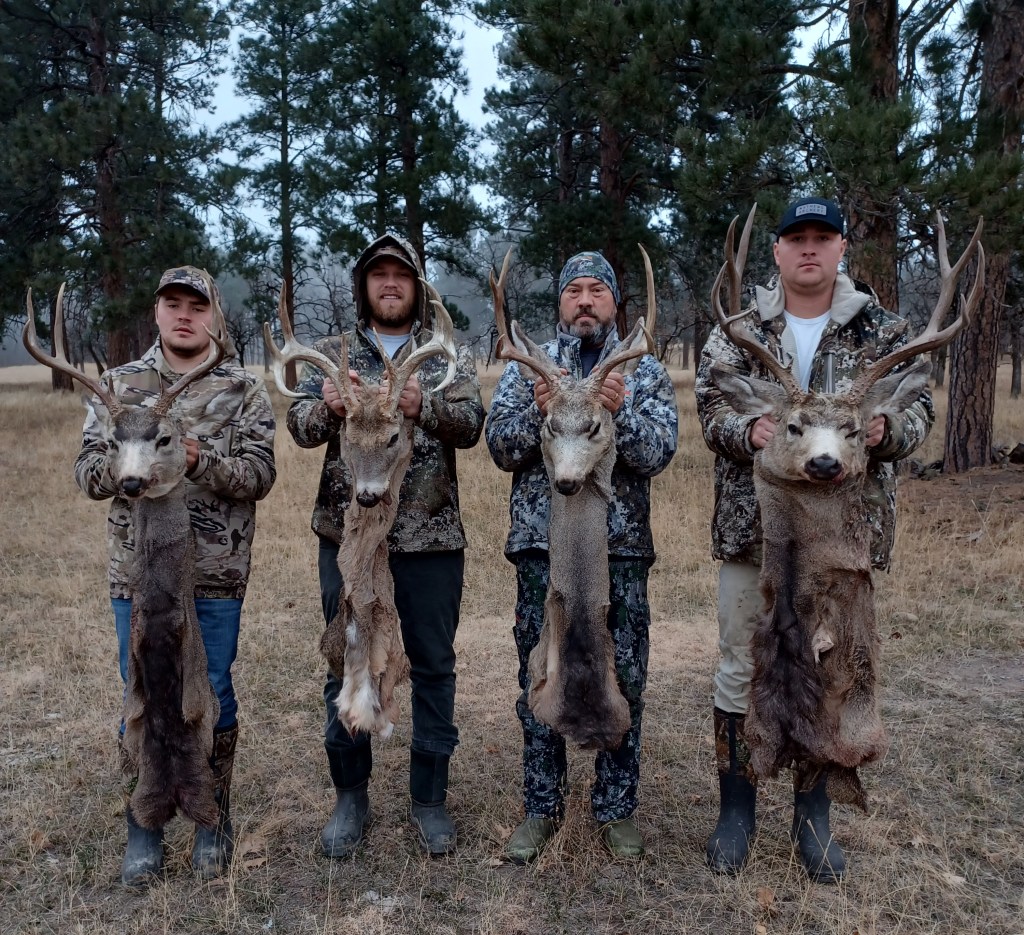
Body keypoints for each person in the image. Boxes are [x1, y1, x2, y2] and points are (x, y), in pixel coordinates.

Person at [695, 197, 934, 882]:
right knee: (742, 664)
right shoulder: (741, 328)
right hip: (757, 534)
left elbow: (918, 406)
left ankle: (813, 817)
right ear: (776, 250)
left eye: (821, 237)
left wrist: (890, 429)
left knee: (831, 669)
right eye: (795, 237)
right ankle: (737, 809)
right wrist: (747, 431)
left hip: (841, 543)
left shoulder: (883, 329)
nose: (808, 248)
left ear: (841, 248)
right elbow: (712, 404)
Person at [74, 266, 277, 884]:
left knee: (209, 690)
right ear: (157, 312)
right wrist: (127, 465)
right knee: (141, 687)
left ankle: (212, 815)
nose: (184, 315)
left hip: (214, 570)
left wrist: (198, 459)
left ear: (214, 314)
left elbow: (260, 476)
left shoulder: (242, 387)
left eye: (197, 305)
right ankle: (146, 821)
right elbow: (86, 473)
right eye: (173, 304)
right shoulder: (117, 385)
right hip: (137, 575)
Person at [286, 233, 484, 857]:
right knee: (346, 660)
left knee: (433, 667)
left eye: (401, 274)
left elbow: (472, 426)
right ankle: (351, 797)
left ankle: (429, 800)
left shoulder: (443, 354)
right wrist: (327, 408)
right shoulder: (331, 355)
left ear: (417, 287)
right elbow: (299, 426)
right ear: (364, 286)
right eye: (379, 275)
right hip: (349, 540)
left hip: (429, 537)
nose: (390, 283)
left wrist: (426, 407)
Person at [486, 251, 678, 862]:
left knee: (626, 676)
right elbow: (500, 446)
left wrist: (618, 412)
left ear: (615, 301)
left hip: (619, 550)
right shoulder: (529, 366)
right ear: (561, 301)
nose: (586, 300)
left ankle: (616, 810)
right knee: (540, 672)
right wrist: (540, 411)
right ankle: (542, 808)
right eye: (575, 290)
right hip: (542, 547)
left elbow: (658, 452)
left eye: (598, 289)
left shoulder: (641, 368)